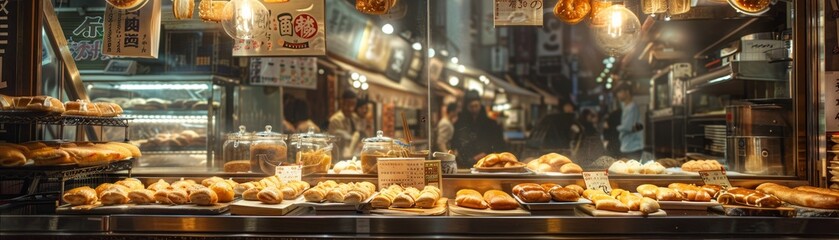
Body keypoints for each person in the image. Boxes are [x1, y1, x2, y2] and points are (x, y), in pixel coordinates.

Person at [451, 90, 507, 167]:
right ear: (467, 107)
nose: (474, 109)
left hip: (486, 161)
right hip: (465, 163)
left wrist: (485, 153)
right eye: (471, 106)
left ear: (480, 105)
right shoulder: (460, 123)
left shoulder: (490, 124)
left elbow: (497, 143)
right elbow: (456, 142)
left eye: (476, 106)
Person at [614, 83, 644, 160]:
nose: (618, 95)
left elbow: (628, 127)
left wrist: (614, 127)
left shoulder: (632, 107)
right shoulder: (626, 107)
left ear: (627, 92)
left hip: (632, 147)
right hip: (628, 145)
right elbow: (638, 126)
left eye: (620, 92)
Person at [329, 90, 360, 159]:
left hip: (353, 155)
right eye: (348, 104)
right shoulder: (335, 120)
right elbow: (333, 143)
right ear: (342, 102)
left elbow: (357, 134)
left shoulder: (354, 117)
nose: (350, 108)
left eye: (353, 104)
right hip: (339, 157)